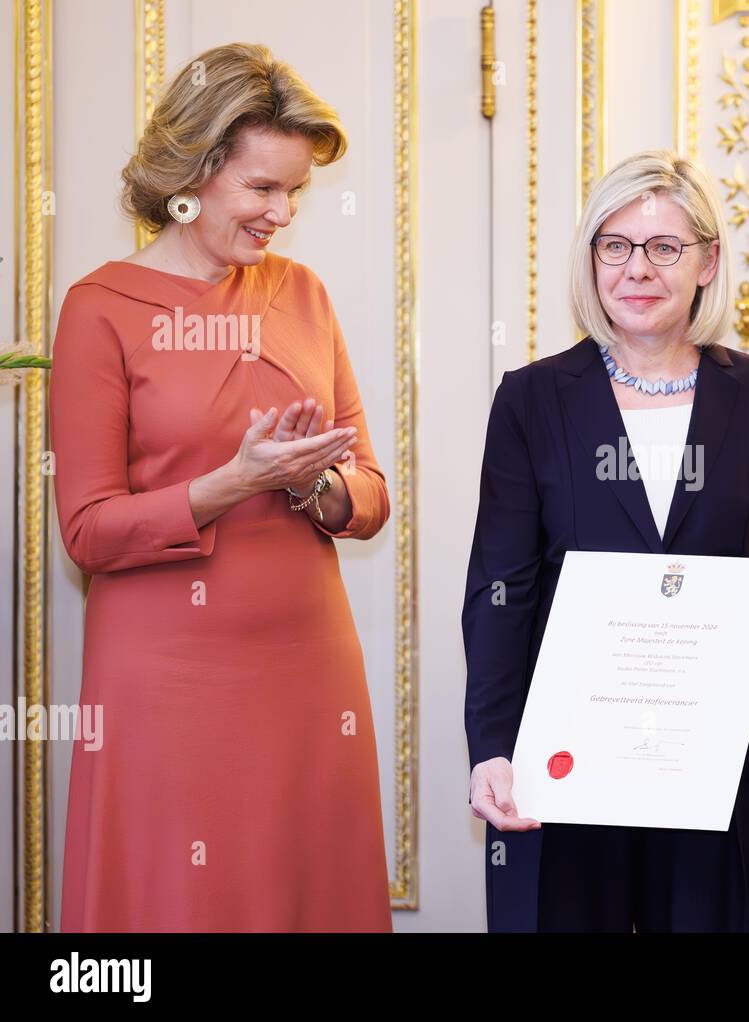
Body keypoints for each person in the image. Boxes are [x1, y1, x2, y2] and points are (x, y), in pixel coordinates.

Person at [50, 42, 392, 931]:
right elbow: (86, 531)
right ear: (191, 174)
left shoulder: (304, 293)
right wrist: (226, 485)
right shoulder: (100, 308)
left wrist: (312, 487)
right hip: (164, 681)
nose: (281, 213)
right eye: (262, 189)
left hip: (307, 666)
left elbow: (371, 491)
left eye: (294, 192)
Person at [462, 149, 749, 932]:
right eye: (616, 245)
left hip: (715, 756)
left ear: (707, 261)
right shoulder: (531, 399)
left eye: (665, 247)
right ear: (592, 258)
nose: (638, 268)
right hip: (561, 757)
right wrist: (493, 748)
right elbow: (500, 590)